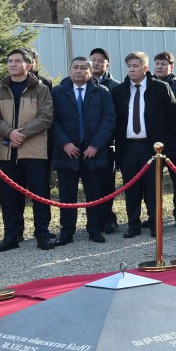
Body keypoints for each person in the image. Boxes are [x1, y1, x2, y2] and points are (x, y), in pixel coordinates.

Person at [0, 49, 55, 251]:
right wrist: (10, 133)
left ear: (28, 65)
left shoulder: (40, 89)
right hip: (8, 151)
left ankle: (42, 235)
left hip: (34, 151)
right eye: (10, 61)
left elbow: (46, 117)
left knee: (40, 195)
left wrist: (22, 134)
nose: (12, 64)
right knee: (9, 197)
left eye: (17, 61)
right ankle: (12, 236)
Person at [111, 51, 176, 238]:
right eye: (129, 66)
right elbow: (114, 120)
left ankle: (155, 224)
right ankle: (133, 225)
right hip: (128, 147)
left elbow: (174, 118)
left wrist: (165, 143)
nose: (132, 70)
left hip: (152, 147)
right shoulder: (119, 91)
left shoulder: (161, 88)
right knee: (131, 189)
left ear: (145, 68)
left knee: (153, 188)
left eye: (136, 66)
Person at [50, 56, 115, 245]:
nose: (79, 71)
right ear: (70, 70)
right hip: (66, 152)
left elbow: (109, 120)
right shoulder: (58, 92)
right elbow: (51, 120)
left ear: (90, 71)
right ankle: (67, 231)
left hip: (93, 152)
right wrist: (64, 143)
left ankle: (94, 229)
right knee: (67, 195)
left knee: (95, 193)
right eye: (75, 67)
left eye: (83, 68)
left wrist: (95, 145)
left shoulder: (101, 92)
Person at [153, 52, 176, 227]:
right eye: (157, 64)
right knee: (153, 183)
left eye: (163, 64)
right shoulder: (149, 85)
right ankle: (154, 216)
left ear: (171, 67)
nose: (160, 67)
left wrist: (170, 133)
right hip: (154, 142)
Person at [88, 47, 120, 231]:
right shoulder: (82, 84)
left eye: (100, 60)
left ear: (107, 64)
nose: (96, 63)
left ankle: (108, 217)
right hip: (87, 144)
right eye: (93, 60)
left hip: (108, 143)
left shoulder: (115, 87)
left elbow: (115, 117)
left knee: (107, 184)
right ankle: (94, 219)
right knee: (93, 185)